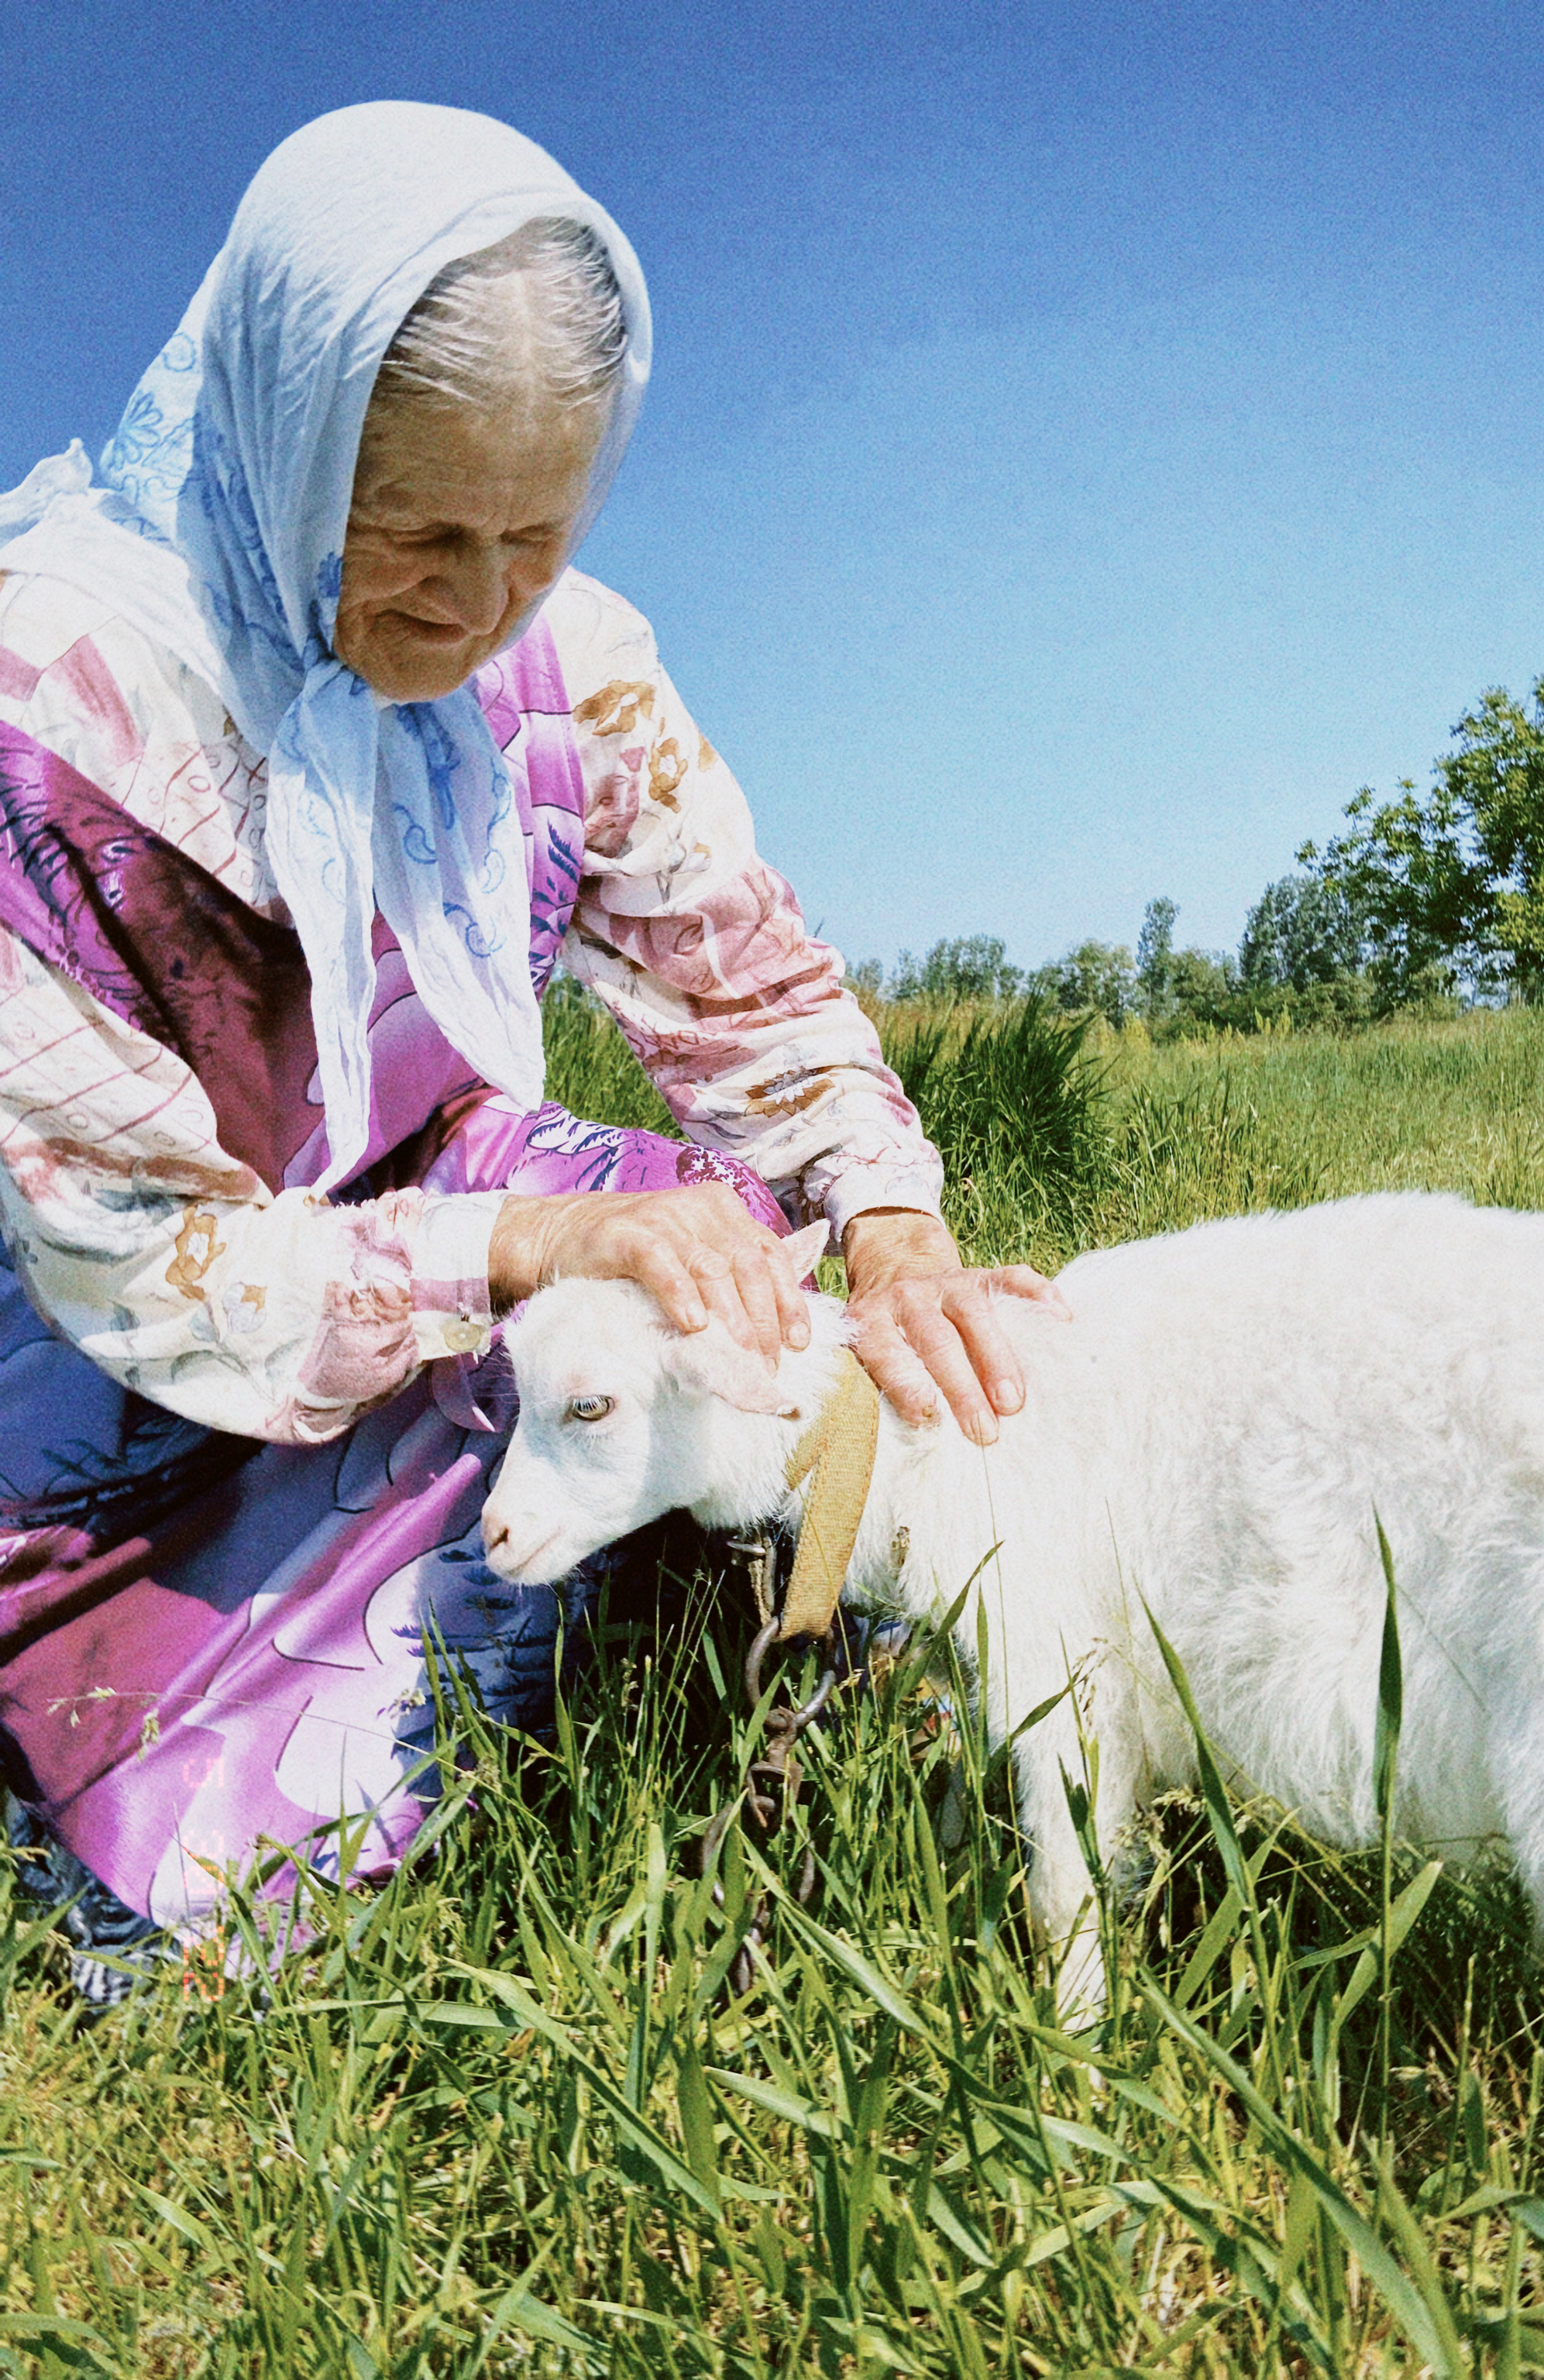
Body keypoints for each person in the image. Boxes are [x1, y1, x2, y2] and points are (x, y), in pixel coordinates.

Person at [0, 101, 1060, 1991]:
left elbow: (749, 996)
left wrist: (890, 1232)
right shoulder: (64, 708)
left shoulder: (576, 661)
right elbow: (126, 1260)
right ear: (280, 432)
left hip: (435, 1219)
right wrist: (520, 1252)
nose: (483, 606)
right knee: (207, 1856)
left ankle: (846, 1620)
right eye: (415, 532)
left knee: (741, 1240)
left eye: (538, 537)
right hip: (134, 1365)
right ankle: (181, 1778)